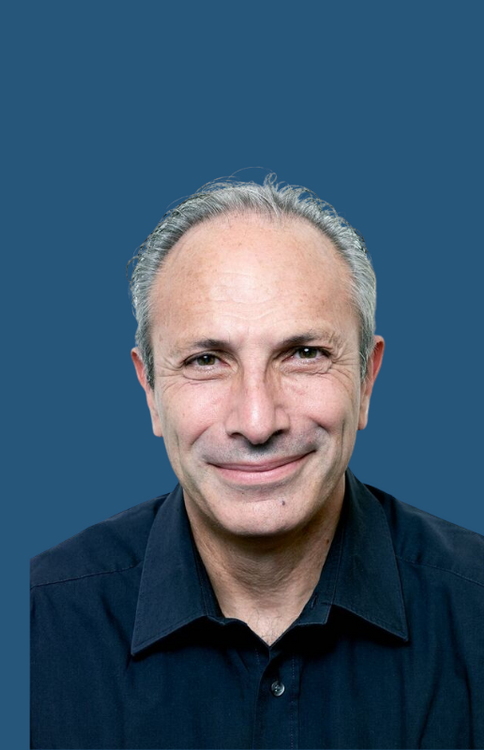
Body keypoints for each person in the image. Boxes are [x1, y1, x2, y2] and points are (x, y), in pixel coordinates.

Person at [29, 176, 484, 749]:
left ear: (367, 378)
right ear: (149, 390)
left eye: (304, 354)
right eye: (205, 360)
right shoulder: (34, 628)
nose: (257, 419)